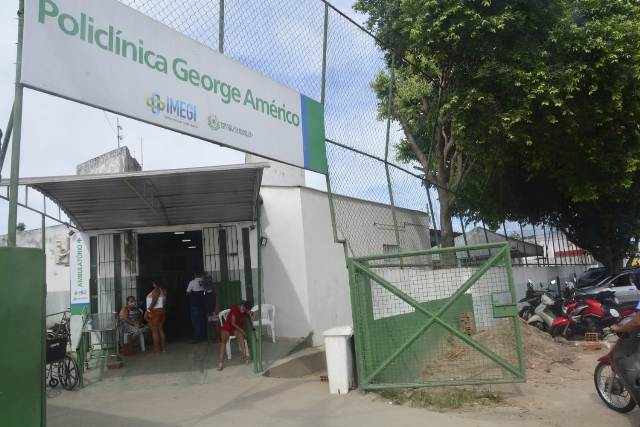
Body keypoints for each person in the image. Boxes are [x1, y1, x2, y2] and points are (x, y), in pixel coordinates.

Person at [217, 300, 254, 371]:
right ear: (241, 305)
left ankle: (245, 357)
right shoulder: (234, 308)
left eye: (245, 309)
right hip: (227, 328)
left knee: (241, 337)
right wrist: (242, 330)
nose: (244, 310)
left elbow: (252, 313)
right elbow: (233, 323)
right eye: (243, 308)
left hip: (235, 330)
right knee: (223, 342)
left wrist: (252, 315)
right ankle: (220, 363)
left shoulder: (245, 310)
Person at [145, 282, 167, 353]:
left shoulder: (156, 290)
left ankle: (156, 350)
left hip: (155, 312)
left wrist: (148, 310)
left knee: (154, 331)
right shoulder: (163, 291)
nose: (153, 284)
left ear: (155, 283)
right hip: (161, 311)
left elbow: (154, 301)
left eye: (153, 283)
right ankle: (163, 349)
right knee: (160, 329)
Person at [186, 272, 206, 343]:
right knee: (202, 320)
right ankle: (204, 336)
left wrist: (191, 293)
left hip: (195, 304)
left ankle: (197, 337)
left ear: (194, 274)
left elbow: (187, 292)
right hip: (202, 304)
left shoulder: (192, 282)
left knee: (196, 321)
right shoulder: (204, 281)